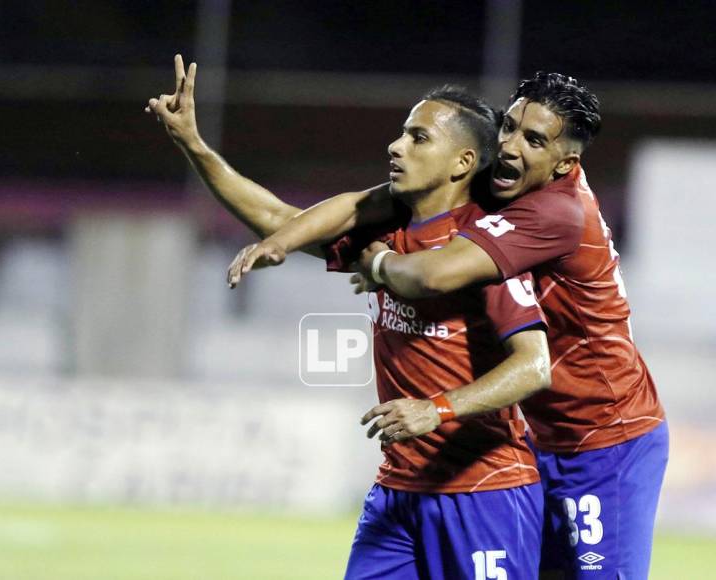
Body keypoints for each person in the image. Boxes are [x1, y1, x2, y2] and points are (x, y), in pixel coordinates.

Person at [227, 72, 669, 580]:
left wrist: (379, 267)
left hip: (603, 437)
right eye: (508, 127)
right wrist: (201, 153)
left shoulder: (556, 212)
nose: (509, 146)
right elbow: (355, 207)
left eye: (534, 140)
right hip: (532, 437)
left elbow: (432, 275)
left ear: (564, 164)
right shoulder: (491, 184)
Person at [147, 58, 550, 579]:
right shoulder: (386, 233)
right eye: (402, 134)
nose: (396, 147)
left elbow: (534, 365)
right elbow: (276, 217)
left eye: (418, 138)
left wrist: (437, 410)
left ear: (462, 162)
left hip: (485, 492)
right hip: (399, 492)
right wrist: (194, 145)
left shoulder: (483, 249)